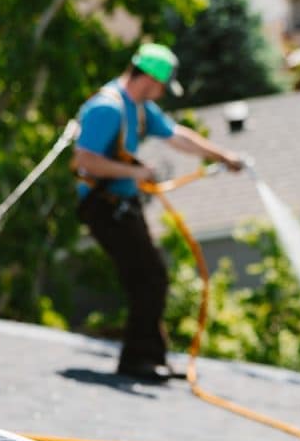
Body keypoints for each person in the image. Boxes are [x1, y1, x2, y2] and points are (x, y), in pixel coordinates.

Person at [73, 43, 243, 382]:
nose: (162, 94)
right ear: (149, 78)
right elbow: (84, 161)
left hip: (122, 204)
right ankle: (138, 360)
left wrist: (221, 155)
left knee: (150, 277)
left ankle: (150, 356)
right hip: (102, 206)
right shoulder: (107, 109)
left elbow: (177, 136)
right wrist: (136, 173)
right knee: (149, 277)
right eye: (163, 86)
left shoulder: (138, 108)